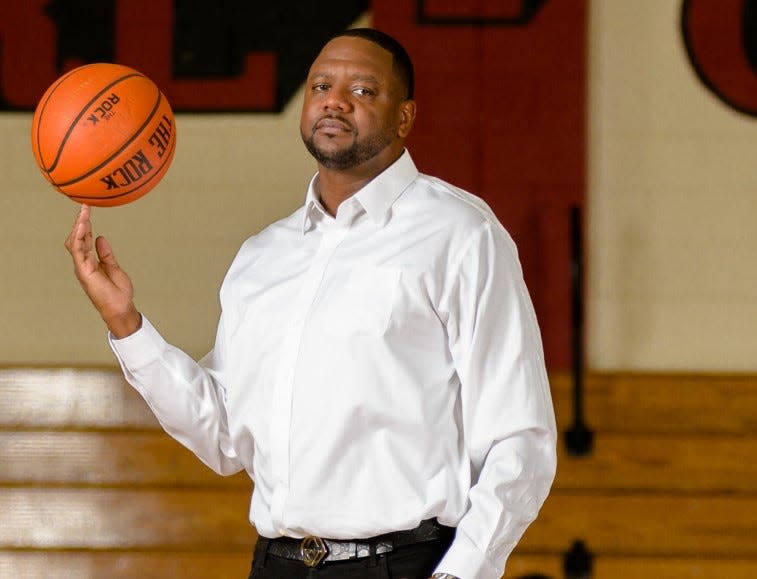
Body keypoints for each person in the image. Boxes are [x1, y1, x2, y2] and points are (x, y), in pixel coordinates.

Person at [65, 27, 556, 579]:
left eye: (363, 90)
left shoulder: (461, 234)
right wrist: (125, 322)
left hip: (407, 565)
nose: (335, 100)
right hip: (277, 563)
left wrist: (462, 572)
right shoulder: (262, 257)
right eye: (321, 84)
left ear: (405, 118)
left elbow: (521, 437)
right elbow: (225, 434)